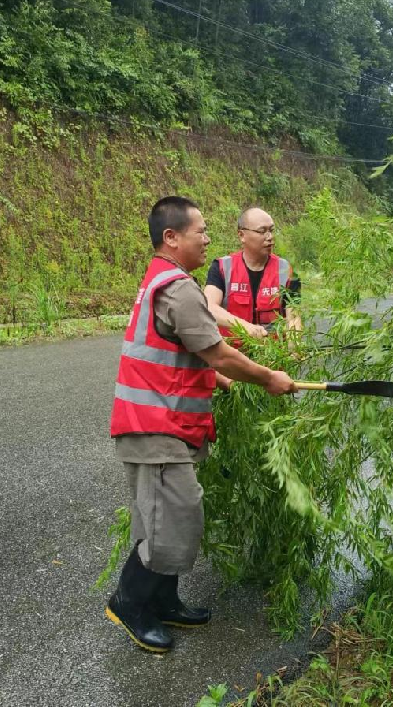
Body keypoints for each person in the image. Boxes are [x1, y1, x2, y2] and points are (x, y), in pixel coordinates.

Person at [107, 196, 298, 654]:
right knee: (171, 516)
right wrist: (268, 377)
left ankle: (164, 599)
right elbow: (217, 350)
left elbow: (178, 352)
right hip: (152, 424)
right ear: (171, 238)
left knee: (172, 515)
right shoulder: (177, 288)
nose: (207, 239)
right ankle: (128, 602)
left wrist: (214, 379)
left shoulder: (165, 281)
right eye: (201, 232)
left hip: (164, 420)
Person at [204, 206, 302, 344]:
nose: (269, 237)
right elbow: (208, 307)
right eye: (262, 231)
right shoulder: (222, 267)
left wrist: (294, 351)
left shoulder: (286, 270)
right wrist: (246, 327)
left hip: (272, 359)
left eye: (271, 230)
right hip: (232, 358)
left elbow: (293, 318)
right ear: (241, 235)